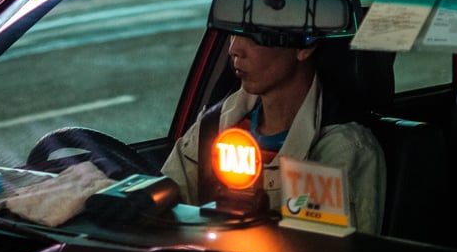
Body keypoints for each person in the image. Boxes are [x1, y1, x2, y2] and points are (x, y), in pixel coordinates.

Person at [161, 25, 386, 234]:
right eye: (232, 32)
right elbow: (160, 213)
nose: (233, 49)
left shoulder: (342, 149)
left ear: (303, 46)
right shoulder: (215, 125)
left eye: (254, 34)